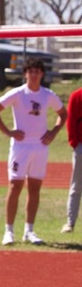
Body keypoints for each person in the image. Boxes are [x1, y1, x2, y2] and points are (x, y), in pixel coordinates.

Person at [0, 58, 67, 245]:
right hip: (21, 147)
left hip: (40, 147)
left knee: (35, 188)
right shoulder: (17, 93)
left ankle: (29, 231)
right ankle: (9, 231)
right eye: (31, 71)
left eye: (37, 71)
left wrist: (53, 132)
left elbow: (63, 113)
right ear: (25, 74)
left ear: (42, 74)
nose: (34, 75)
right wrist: (8, 132)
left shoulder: (48, 95)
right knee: (15, 186)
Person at [62, 86, 82, 233]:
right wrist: (74, 143)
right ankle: (70, 223)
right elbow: (71, 121)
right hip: (81, 146)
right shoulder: (76, 96)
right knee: (76, 187)